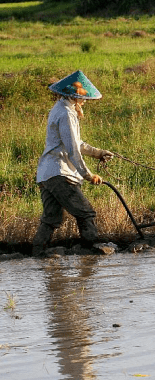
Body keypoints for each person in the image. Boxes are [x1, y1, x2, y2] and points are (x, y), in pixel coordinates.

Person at [33, 70, 114, 256]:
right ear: (74, 97)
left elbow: (75, 143)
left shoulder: (61, 109)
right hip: (60, 172)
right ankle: (90, 252)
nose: (85, 101)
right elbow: (73, 150)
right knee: (86, 213)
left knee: (51, 219)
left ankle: (37, 254)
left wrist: (98, 153)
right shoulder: (66, 114)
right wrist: (88, 175)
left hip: (47, 173)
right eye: (82, 98)